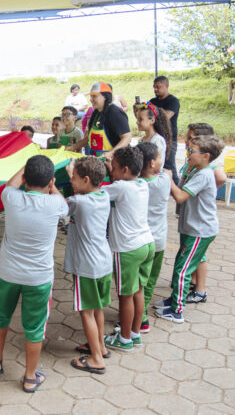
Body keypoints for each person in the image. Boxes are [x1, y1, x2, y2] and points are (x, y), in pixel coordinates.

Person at [0, 156, 67, 392]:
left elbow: (11, 183)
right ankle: (30, 377)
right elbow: (64, 204)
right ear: (50, 182)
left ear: (25, 179)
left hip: (8, 273)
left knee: (1, 315)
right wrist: (53, 186)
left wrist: (23, 171)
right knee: (35, 326)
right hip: (39, 278)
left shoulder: (11, 198)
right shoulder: (56, 204)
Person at [155, 135, 224, 323]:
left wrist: (168, 178)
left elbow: (180, 196)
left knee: (183, 270)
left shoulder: (204, 175)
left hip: (200, 231)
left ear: (206, 156)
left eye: (191, 151)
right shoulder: (196, 170)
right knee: (180, 264)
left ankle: (177, 310)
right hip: (191, 228)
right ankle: (174, 299)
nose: (188, 154)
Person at [101, 147, 155, 352]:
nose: (111, 171)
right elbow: (118, 182)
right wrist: (111, 165)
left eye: (114, 168)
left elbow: (95, 191)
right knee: (138, 290)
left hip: (128, 250)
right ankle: (134, 334)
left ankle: (124, 340)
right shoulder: (142, 184)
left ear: (124, 170)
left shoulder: (120, 187)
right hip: (147, 244)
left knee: (125, 295)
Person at [64, 157, 112, 374]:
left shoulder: (79, 202)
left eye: (73, 177)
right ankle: (100, 347)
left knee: (86, 312)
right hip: (103, 262)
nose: (70, 180)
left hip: (87, 267)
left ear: (85, 180)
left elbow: (61, 206)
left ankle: (96, 359)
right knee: (97, 308)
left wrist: (53, 187)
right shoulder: (104, 195)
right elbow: (81, 193)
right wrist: (74, 175)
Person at [180, 123, 227, 299]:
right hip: (191, 218)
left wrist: (204, 191)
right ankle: (192, 283)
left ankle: (200, 290)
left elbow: (221, 178)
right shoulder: (195, 162)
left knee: (199, 256)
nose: (186, 141)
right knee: (193, 254)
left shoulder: (207, 168)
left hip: (200, 223)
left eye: (190, 138)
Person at [136, 142, 170, 332]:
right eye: (158, 157)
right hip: (158, 241)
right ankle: (141, 318)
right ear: (151, 163)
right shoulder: (164, 180)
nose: (161, 160)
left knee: (137, 283)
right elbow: (166, 172)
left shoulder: (135, 185)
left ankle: (136, 317)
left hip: (139, 243)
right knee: (149, 282)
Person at [68, 82, 131, 158]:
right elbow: (90, 139)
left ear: (104, 97)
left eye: (94, 96)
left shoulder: (114, 112)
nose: (91, 99)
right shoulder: (96, 113)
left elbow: (127, 138)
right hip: (97, 160)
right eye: (91, 96)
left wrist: (111, 153)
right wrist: (73, 147)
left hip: (113, 161)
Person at [149, 76, 181, 185]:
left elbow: (166, 116)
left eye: (158, 87)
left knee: (169, 165)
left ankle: (177, 189)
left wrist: (154, 111)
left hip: (169, 139)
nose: (155, 90)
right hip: (154, 136)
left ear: (166, 86)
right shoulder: (152, 101)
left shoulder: (173, 101)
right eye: (154, 87)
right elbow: (146, 118)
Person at [134, 102, 172, 167]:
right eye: (137, 119)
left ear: (152, 120)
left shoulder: (158, 140)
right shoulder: (141, 140)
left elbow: (159, 166)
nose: (137, 122)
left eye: (140, 119)